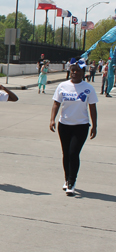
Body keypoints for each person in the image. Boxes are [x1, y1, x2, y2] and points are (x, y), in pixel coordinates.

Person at [50, 57, 98, 196]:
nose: (75, 73)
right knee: (66, 153)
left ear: (83, 72)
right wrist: (52, 119)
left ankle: (72, 181)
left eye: (78, 71)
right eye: (73, 70)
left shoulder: (88, 88)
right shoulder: (62, 86)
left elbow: (92, 108)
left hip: (81, 126)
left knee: (73, 153)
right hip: (64, 125)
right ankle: (66, 179)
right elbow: (56, 103)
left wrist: (94, 126)